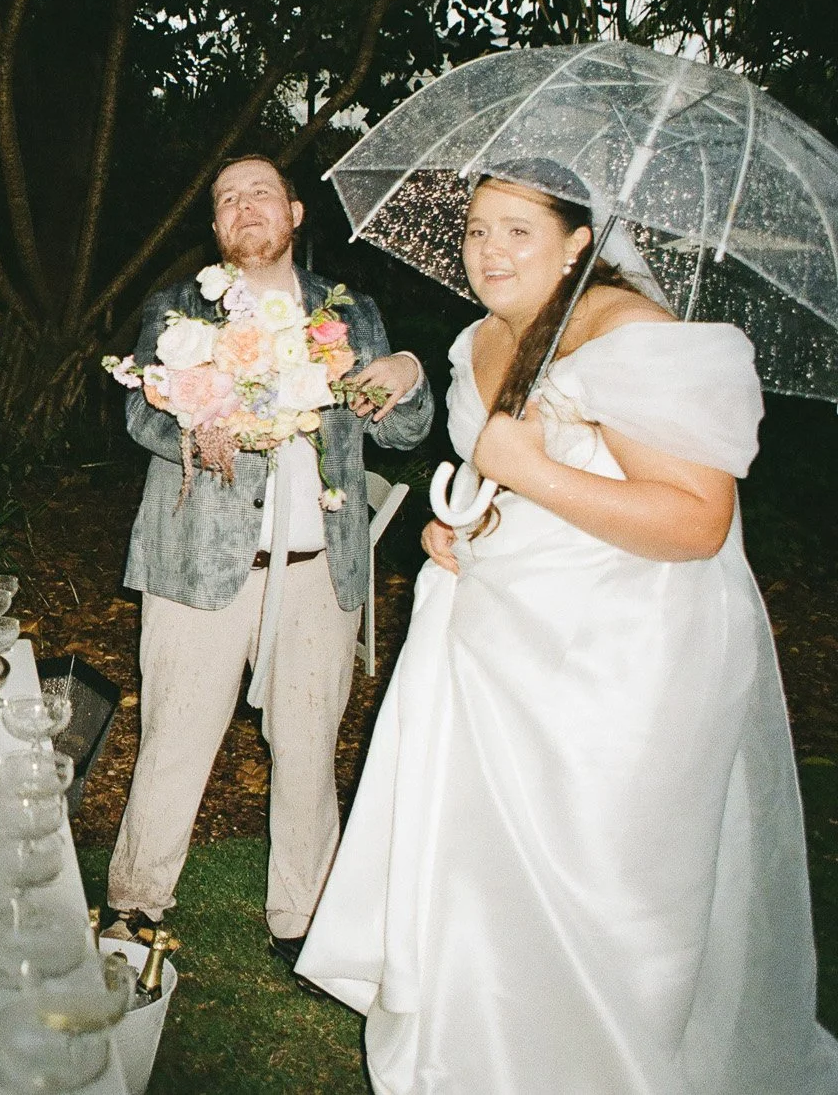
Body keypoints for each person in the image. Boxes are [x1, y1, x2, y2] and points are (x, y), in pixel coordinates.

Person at [298, 166, 838, 1093]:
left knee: (601, 889)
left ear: (578, 240)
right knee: (487, 872)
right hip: (497, 646)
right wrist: (460, 521)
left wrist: (528, 472)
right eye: (476, 231)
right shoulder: (479, 342)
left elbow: (695, 522)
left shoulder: (633, 338)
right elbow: (516, 484)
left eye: (518, 232)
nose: (490, 252)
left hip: (624, 666)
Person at [103, 155, 431, 970]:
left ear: (293, 213)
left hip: (320, 570)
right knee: (174, 737)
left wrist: (408, 374)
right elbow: (140, 415)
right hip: (198, 568)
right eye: (226, 198)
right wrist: (192, 424)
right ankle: (135, 904)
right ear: (216, 228)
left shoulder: (350, 315)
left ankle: (303, 913)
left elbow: (403, 433)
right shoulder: (179, 309)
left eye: (261, 193)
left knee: (309, 744)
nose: (244, 206)